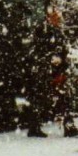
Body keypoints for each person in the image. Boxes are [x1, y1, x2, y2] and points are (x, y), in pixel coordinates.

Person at [23, 9, 65, 137]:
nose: (59, 20)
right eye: (56, 18)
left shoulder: (49, 31)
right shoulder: (47, 32)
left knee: (52, 98)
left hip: (48, 70)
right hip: (47, 71)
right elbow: (48, 49)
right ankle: (66, 125)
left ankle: (35, 126)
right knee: (54, 97)